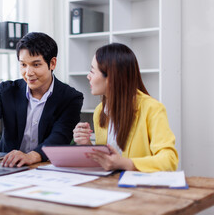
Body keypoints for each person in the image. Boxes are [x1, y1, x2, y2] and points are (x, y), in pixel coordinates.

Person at [0, 32, 83, 168]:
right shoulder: (7, 90)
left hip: (45, 167)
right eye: (23, 65)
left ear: (52, 63)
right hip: (6, 164)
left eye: (35, 65)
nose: (28, 73)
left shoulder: (70, 98)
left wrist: (31, 156)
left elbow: (59, 137)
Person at [73, 43, 178, 172]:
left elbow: (169, 160)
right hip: (110, 185)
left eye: (92, 71)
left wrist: (125, 163)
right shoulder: (100, 111)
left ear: (111, 77)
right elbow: (107, 161)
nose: (88, 76)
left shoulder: (152, 109)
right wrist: (87, 144)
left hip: (139, 187)